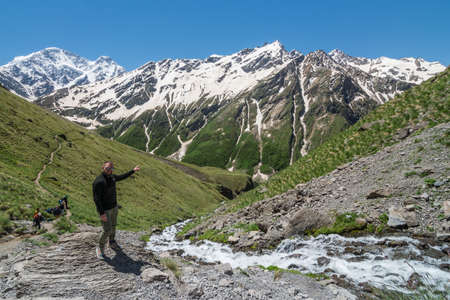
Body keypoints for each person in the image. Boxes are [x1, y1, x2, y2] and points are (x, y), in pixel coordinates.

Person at [92, 161, 140, 259]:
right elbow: (96, 199)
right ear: (103, 168)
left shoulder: (112, 177)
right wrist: (101, 213)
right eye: (107, 168)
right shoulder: (99, 181)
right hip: (105, 210)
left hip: (114, 207)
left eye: (110, 169)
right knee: (107, 229)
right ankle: (100, 248)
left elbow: (122, 177)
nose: (109, 170)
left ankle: (112, 241)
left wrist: (133, 171)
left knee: (113, 226)